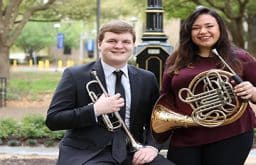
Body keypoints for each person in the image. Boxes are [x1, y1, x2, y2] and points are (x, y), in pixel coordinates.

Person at [46, 20, 174, 165]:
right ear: (100, 44)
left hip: (133, 151)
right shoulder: (75, 75)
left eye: (125, 41)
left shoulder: (147, 78)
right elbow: (53, 120)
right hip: (89, 153)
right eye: (112, 41)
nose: (119, 46)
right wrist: (95, 110)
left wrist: (152, 147)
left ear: (133, 45)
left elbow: (156, 121)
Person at [158, 6, 256, 165]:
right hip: (186, 134)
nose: (203, 31)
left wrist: (252, 91)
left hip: (231, 134)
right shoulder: (176, 59)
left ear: (220, 28)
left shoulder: (240, 57)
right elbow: (166, 96)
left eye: (209, 26)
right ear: (189, 32)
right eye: (196, 28)